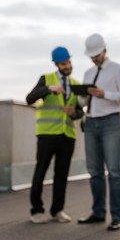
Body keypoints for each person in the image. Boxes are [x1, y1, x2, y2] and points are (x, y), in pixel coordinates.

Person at [77, 33, 120, 231]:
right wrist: (82, 97)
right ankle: (98, 212)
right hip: (90, 123)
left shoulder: (118, 70)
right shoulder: (88, 73)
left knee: (114, 172)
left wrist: (104, 94)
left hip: (111, 123)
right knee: (94, 172)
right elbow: (83, 103)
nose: (93, 59)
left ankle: (117, 216)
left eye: (96, 55)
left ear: (104, 50)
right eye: (91, 56)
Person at [26, 46, 83, 224]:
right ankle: (36, 210)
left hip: (67, 135)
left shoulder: (75, 84)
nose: (67, 66)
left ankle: (57, 210)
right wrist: (48, 89)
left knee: (62, 174)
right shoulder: (46, 79)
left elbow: (81, 111)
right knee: (40, 171)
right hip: (47, 134)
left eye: (68, 62)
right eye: (63, 64)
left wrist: (75, 112)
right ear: (57, 64)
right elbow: (30, 98)